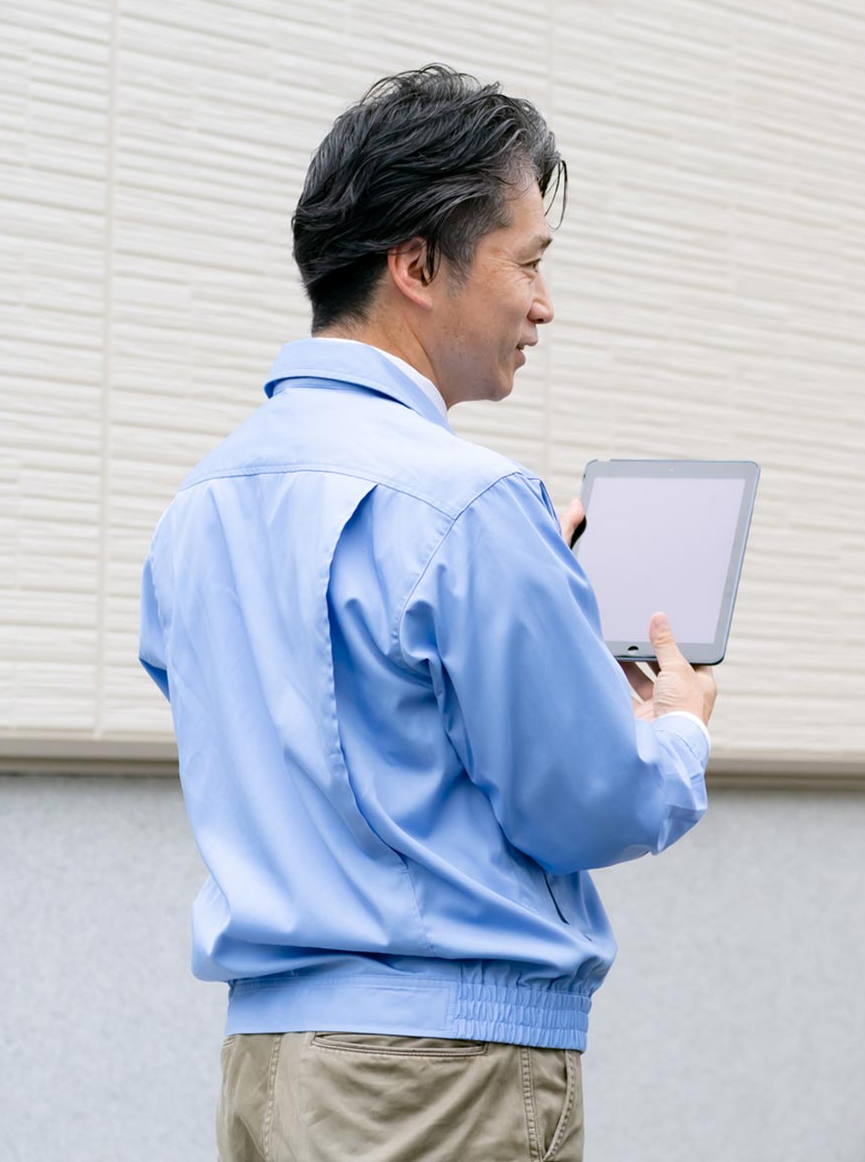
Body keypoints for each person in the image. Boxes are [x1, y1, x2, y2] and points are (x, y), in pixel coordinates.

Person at [139, 65, 716, 1162]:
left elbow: (310, 735)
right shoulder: (467, 505)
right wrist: (677, 727)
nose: (544, 304)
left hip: (267, 1061)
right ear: (416, 265)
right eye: (528, 264)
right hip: (440, 1077)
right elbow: (587, 805)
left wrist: (523, 584)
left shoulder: (200, 502)